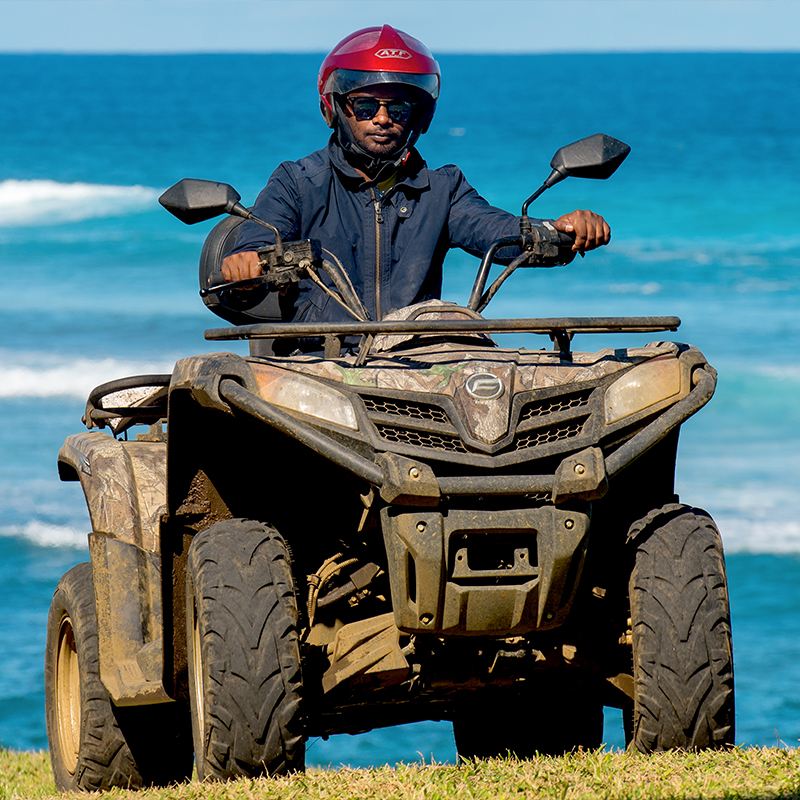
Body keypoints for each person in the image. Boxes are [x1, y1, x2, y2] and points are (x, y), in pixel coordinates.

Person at [222, 25, 609, 325]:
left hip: (416, 361)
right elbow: (259, 239)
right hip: (321, 362)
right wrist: (247, 266)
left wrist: (560, 231)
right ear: (336, 109)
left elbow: (500, 233)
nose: (383, 119)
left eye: (399, 108)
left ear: (419, 116)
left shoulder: (442, 188)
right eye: (366, 105)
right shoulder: (298, 181)